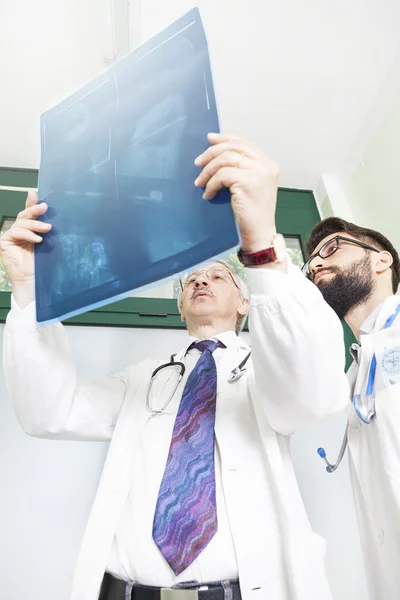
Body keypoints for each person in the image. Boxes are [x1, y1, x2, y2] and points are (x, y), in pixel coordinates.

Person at [2, 134, 348, 600]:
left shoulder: (269, 368)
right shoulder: (142, 379)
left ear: (246, 301)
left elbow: (310, 391)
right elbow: (50, 411)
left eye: (220, 275)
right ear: (182, 309)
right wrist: (27, 291)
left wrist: (262, 247)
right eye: (191, 281)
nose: (202, 278)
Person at [304, 217, 400, 600]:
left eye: (331, 248)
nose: (315, 265)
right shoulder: (353, 374)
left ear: (381, 261)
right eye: (309, 263)